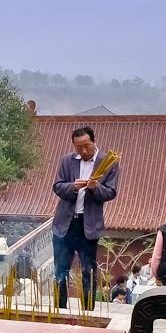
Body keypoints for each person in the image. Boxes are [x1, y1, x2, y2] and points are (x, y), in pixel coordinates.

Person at [51, 127, 119, 310]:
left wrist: (95, 187)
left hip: (88, 224)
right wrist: (72, 186)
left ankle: (87, 311)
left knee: (87, 269)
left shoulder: (108, 162)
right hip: (65, 223)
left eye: (87, 146)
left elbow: (111, 192)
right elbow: (57, 186)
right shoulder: (67, 160)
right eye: (78, 147)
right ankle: (59, 308)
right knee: (60, 269)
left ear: (94, 142)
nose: (83, 151)